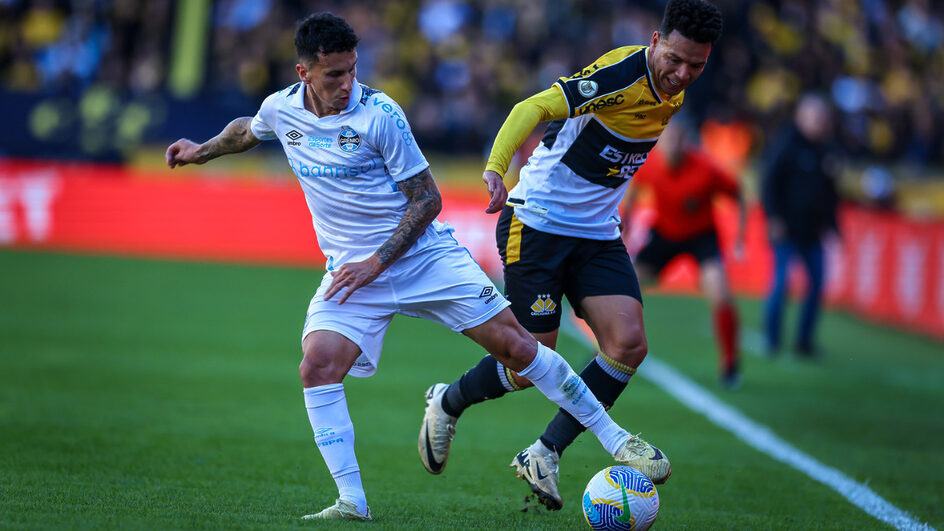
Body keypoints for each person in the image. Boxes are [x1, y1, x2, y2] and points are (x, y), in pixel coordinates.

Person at [165, 12, 661, 522]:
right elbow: (249, 130)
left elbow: (427, 200)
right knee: (317, 364)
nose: (346, 84)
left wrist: (376, 263)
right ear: (303, 74)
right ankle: (351, 502)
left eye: (352, 71)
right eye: (334, 74)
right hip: (354, 272)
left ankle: (616, 440)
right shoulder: (283, 110)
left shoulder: (380, 114)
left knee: (520, 350)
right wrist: (200, 151)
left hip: (423, 259)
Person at [418, 0, 722, 511]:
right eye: (674, 58)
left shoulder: (674, 88)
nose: (682, 73)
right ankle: (447, 401)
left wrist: (611, 203)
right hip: (535, 223)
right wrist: (496, 166)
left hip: (596, 234)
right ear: (654, 40)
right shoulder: (621, 74)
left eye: (697, 65)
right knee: (527, 360)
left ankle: (545, 452)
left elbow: (616, 156)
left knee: (627, 344)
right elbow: (530, 110)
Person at [622, 120, 745, 389]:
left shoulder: (706, 168)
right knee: (624, 287)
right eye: (668, 138)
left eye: (679, 138)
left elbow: (738, 194)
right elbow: (634, 191)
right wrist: (626, 227)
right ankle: (604, 350)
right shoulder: (650, 164)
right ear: (660, 140)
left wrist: (739, 237)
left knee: (720, 293)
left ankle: (730, 364)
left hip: (702, 237)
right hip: (664, 234)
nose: (673, 144)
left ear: (687, 140)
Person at [761, 93, 840, 357]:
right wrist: (774, 218)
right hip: (786, 229)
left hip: (813, 231)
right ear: (801, 117)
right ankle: (772, 340)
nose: (819, 123)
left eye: (822, 119)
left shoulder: (826, 150)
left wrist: (833, 227)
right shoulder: (786, 144)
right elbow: (769, 183)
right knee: (781, 283)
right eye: (814, 118)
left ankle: (804, 342)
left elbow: (830, 193)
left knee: (817, 284)